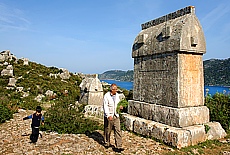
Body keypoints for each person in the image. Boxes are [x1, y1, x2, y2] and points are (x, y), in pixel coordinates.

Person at [103, 83, 124, 152]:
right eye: (115, 89)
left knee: (118, 130)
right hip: (109, 116)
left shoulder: (117, 95)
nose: (116, 90)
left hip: (116, 115)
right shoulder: (106, 96)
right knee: (108, 130)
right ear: (111, 89)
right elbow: (105, 106)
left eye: (116, 89)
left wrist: (121, 107)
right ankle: (107, 142)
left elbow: (119, 103)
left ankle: (119, 146)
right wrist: (108, 115)